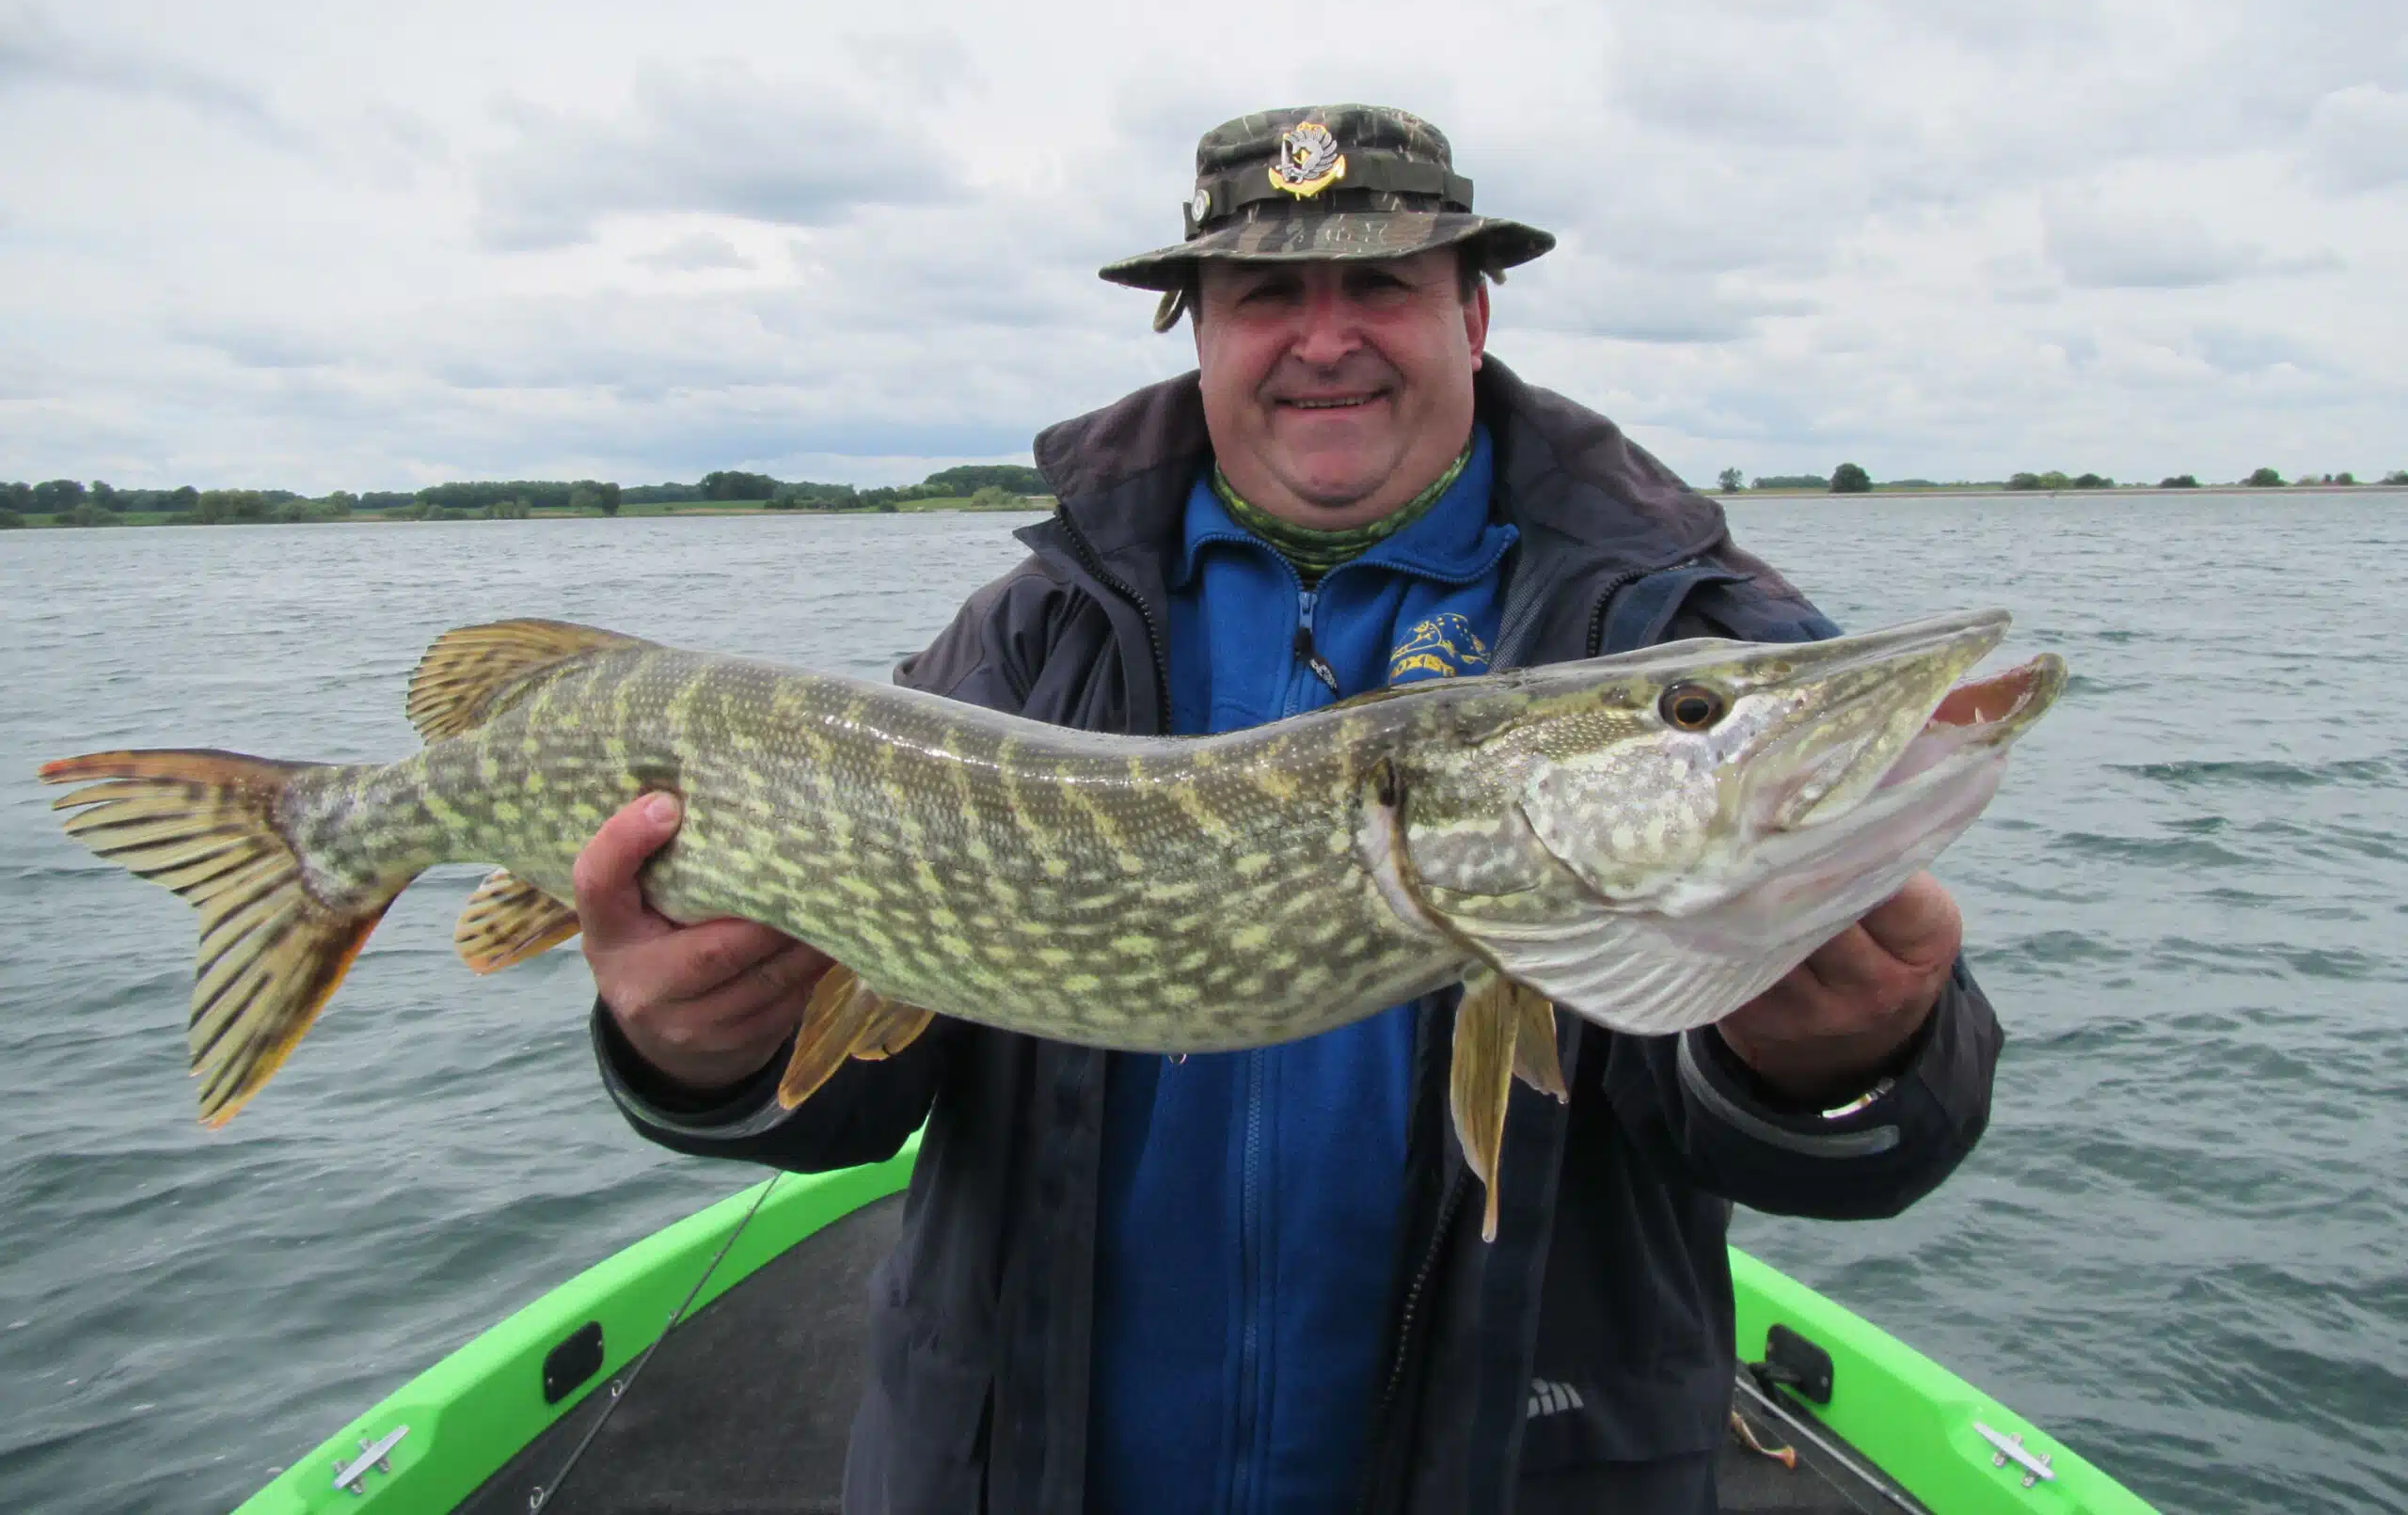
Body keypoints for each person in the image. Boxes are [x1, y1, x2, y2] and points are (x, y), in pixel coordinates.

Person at [570, 105, 2002, 1515]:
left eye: (1382, 282)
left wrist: (1843, 1062)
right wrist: (699, 1055)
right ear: (1200, 333)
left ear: (1475, 316)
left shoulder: (1676, 626)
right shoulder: (1026, 644)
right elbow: (856, 1090)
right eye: (1265, 295)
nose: (1326, 338)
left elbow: (1864, 1147)